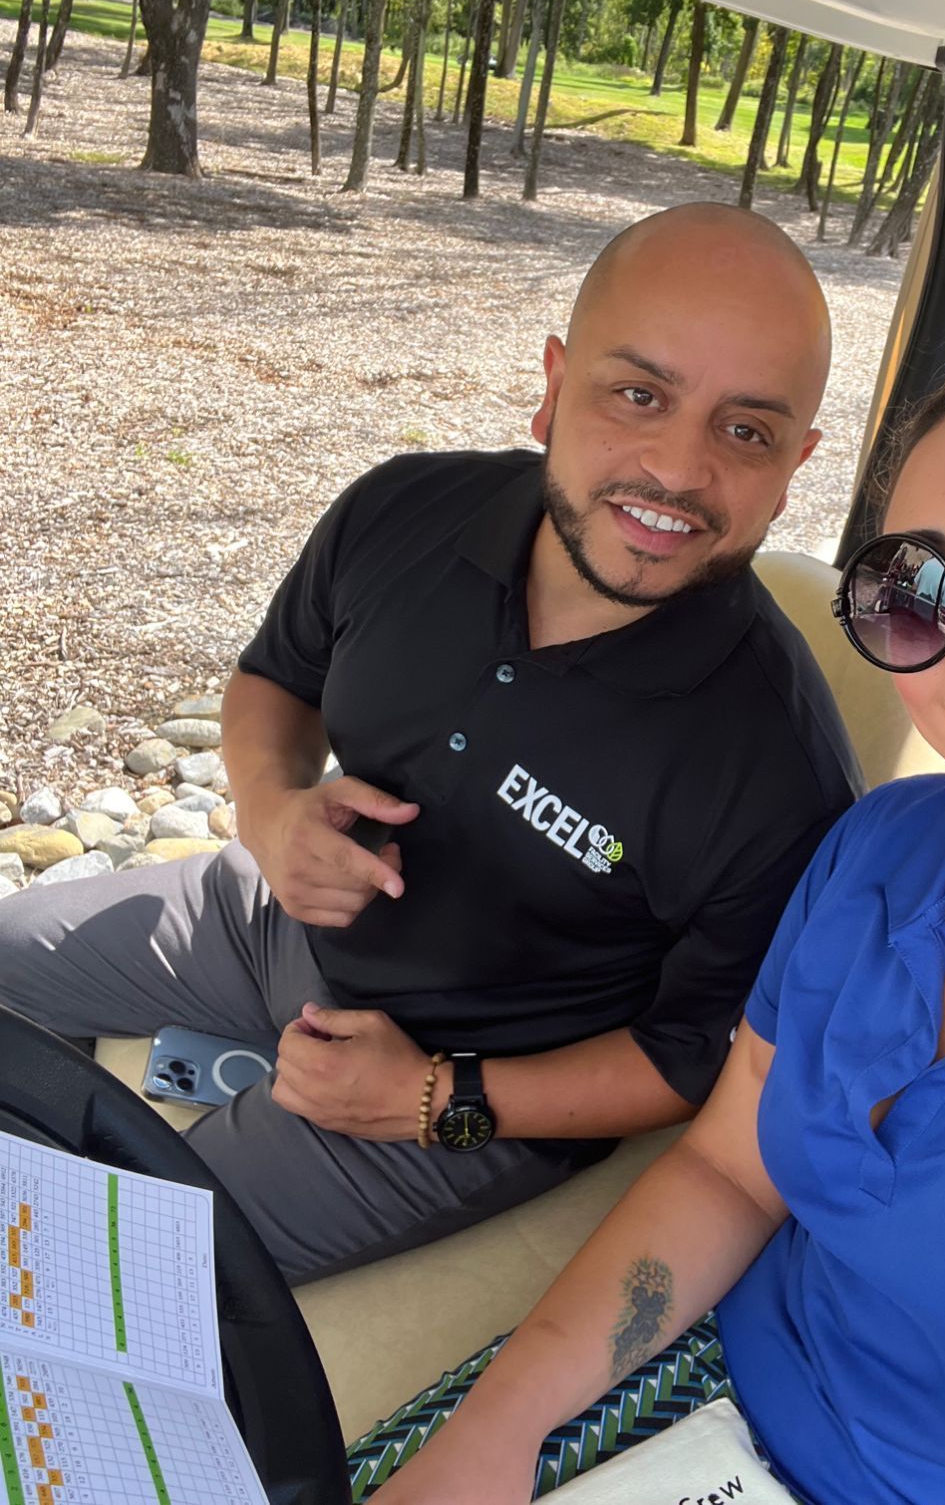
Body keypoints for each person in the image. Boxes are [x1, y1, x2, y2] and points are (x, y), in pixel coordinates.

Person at [346, 358, 945, 1505]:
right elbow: (731, 1170)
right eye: (917, 586)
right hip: (712, 1394)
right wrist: (500, 1426)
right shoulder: (881, 849)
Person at [0, 203, 859, 1285]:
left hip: (480, 1074)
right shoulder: (403, 509)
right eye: (637, 394)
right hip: (270, 925)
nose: (678, 471)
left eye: (745, 431)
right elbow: (277, 675)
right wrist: (270, 811)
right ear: (553, 382)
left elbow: (697, 1056)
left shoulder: (776, 770)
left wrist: (436, 1097)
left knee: (97, 1270)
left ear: (795, 462)